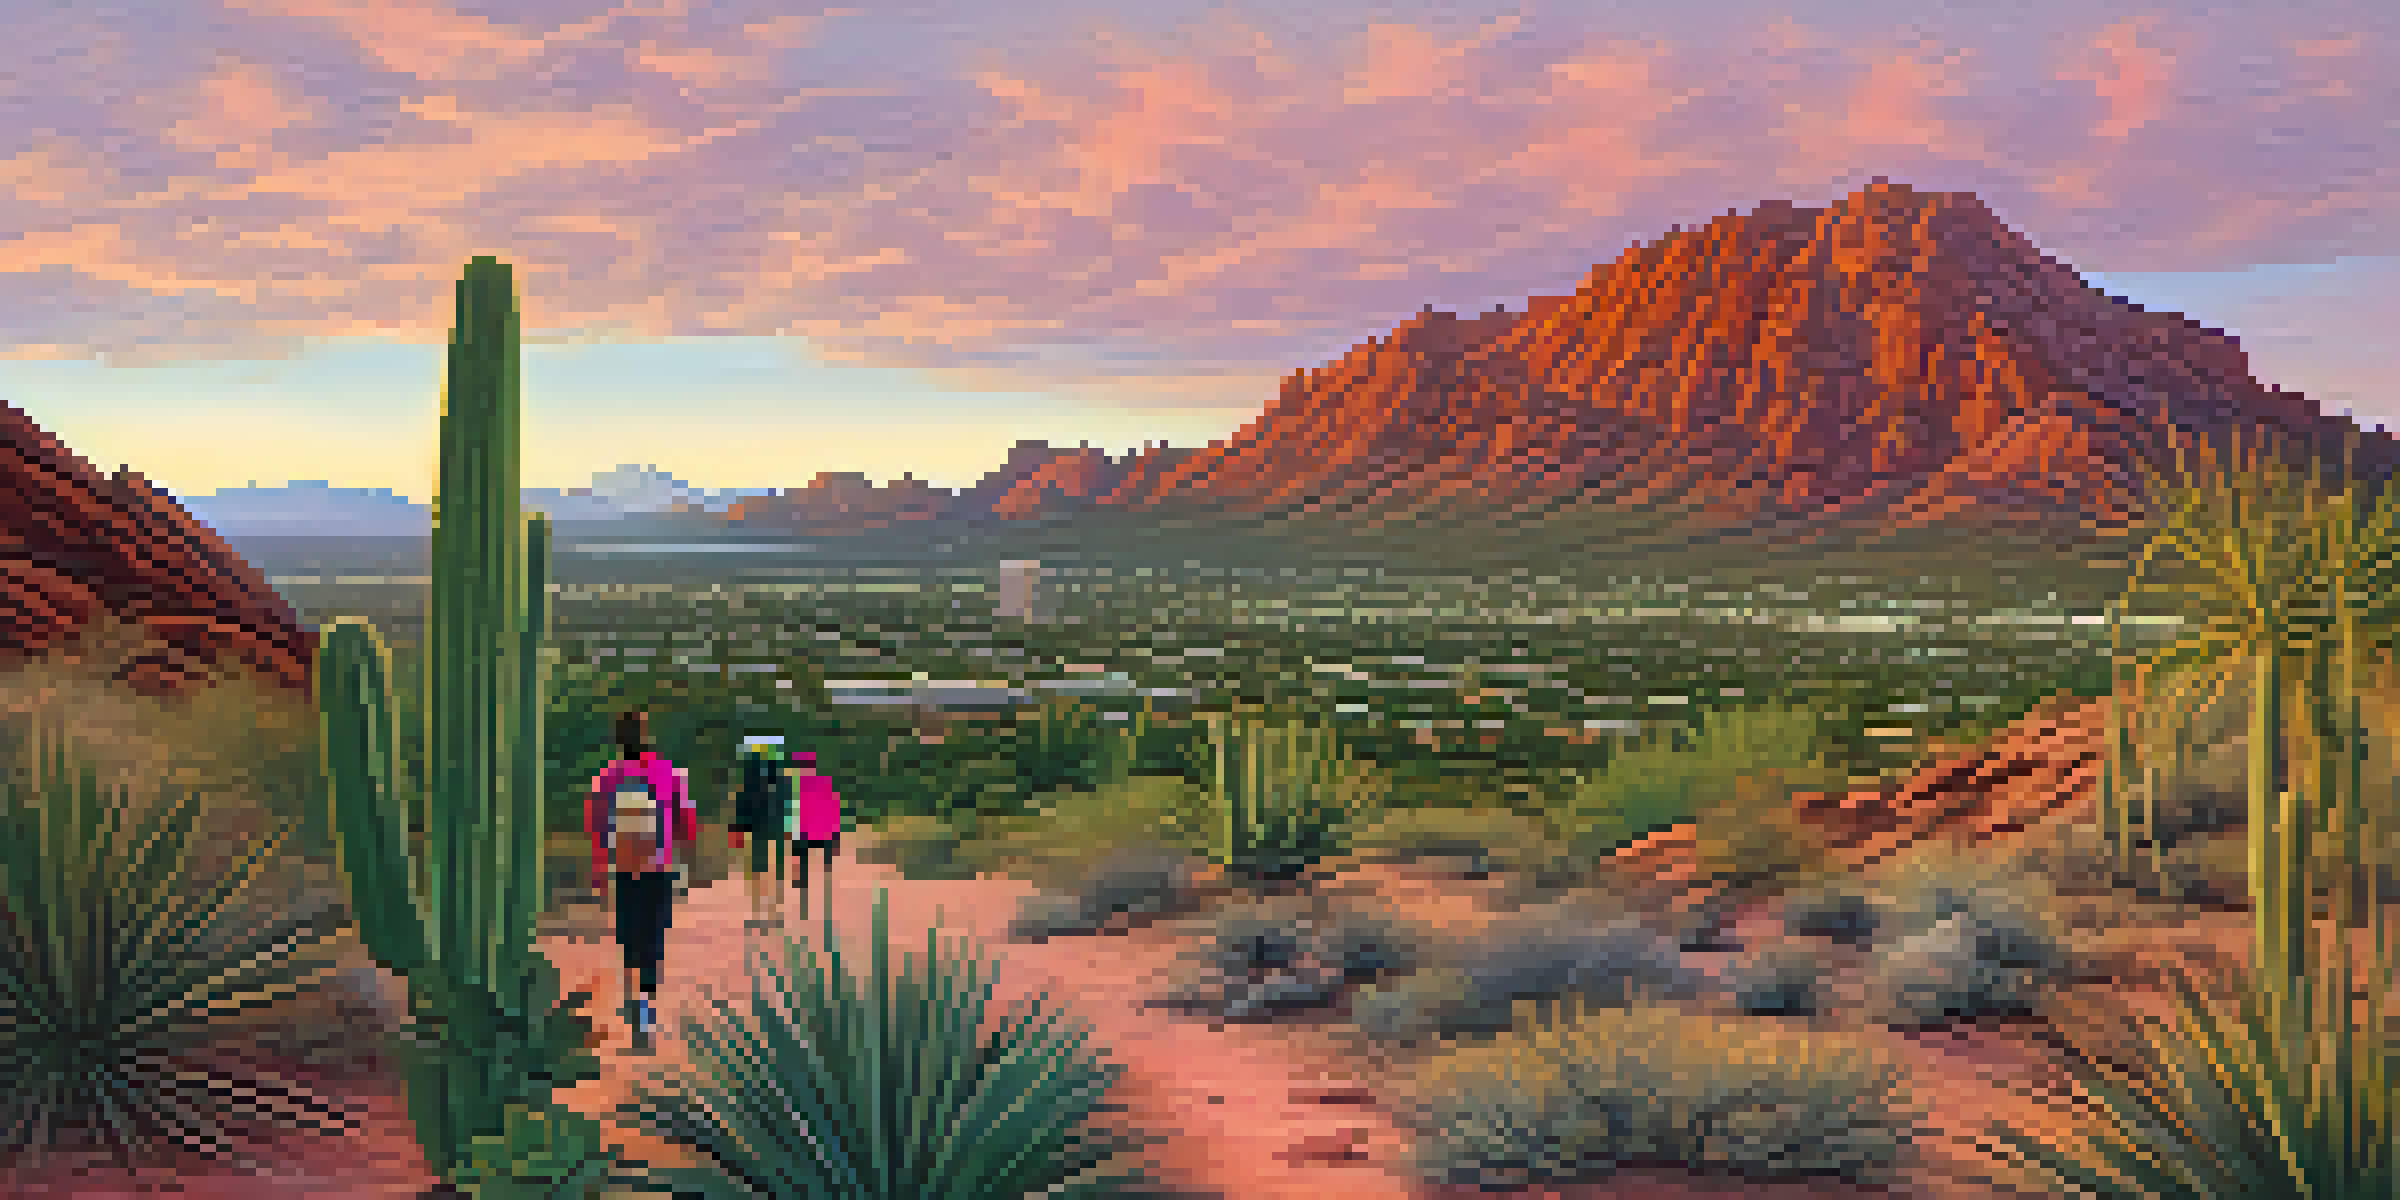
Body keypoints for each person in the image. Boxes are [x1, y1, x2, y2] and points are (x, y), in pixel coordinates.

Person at [586, 709, 695, 1053]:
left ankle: (636, 1004)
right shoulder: (668, 772)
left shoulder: (607, 777)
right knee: (653, 940)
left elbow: (598, 827)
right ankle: (646, 1010)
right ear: (647, 736)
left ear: (618, 740)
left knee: (630, 940)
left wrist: (600, 870)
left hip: (623, 868)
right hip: (658, 867)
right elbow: (688, 824)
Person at [726, 734, 796, 929]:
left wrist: (737, 830)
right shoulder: (783, 779)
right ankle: (773, 913)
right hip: (776, 830)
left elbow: (742, 806)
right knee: (773, 873)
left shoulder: (749, 780)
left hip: (756, 831)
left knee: (758, 872)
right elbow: (788, 805)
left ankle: (760, 912)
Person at [790, 751, 842, 916]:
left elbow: (794, 810)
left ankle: (804, 885)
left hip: (807, 830)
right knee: (822, 860)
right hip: (822, 830)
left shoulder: (796, 785)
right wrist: (835, 833)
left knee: (801, 855)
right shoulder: (825, 782)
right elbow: (834, 806)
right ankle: (822, 882)